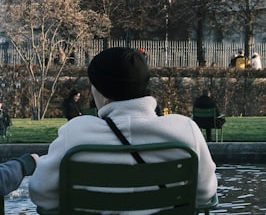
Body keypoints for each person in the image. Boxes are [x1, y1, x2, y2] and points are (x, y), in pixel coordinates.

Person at [30, 47, 218, 212]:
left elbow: (41, 194)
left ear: (101, 91)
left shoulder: (75, 134)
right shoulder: (185, 131)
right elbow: (204, 194)